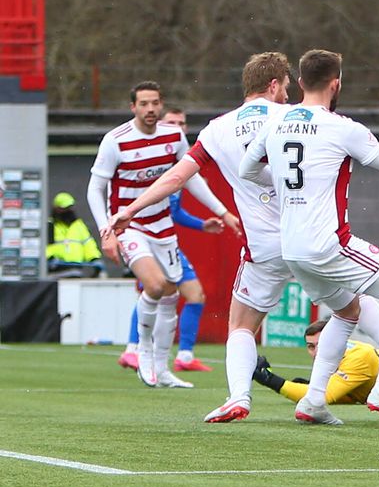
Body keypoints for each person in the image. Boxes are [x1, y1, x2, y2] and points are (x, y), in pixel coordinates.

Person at [239, 48, 379, 426]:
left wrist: (286, 183)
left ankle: (313, 401)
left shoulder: (274, 123)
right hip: (330, 242)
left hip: (292, 247)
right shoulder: (342, 127)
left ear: (299, 82)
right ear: (336, 84)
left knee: (347, 312)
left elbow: (248, 170)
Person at [106, 52, 331, 423]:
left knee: (240, 325)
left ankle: (238, 396)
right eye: (286, 87)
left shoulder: (217, 128)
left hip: (262, 248)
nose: (288, 94)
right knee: (362, 308)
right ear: (275, 85)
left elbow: (179, 177)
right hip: (312, 237)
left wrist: (129, 210)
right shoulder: (299, 118)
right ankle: (376, 381)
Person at [89, 81, 240, 389]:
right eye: (143, 103)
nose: (150, 109)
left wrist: (222, 210)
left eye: (155, 103)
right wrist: (106, 230)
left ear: (161, 105)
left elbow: (190, 179)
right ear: (133, 107)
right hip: (129, 227)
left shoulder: (174, 136)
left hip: (163, 228)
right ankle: (140, 352)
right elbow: (95, 188)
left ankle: (163, 367)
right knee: (156, 286)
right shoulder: (115, 141)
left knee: (172, 293)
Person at [116, 107, 226, 373]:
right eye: (172, 122)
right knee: (155, 290)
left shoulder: (179, 163)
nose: (178, 126)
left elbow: (174, 210)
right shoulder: (152, 163)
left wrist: (204, 223)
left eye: (182, 122)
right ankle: (135, 350)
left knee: (192, 294)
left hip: (166, 240)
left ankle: (183, 356)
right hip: (145, 236)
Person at [45, 192, 103, 277]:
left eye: (70, 207)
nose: (68, 210)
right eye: (64, 208)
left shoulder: (78, 225)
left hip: (77, 269)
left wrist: (94, 259)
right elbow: (44, 247)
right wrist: (50, 258)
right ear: (56, 209)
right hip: (56, 270)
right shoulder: (50, 225)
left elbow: (88, 244)